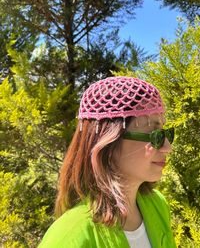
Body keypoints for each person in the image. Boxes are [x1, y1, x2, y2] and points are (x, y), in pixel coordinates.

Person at [38, 76, 177, 248]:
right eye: (155, 136)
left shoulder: (157, 205)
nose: (167, 147)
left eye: (166, 134)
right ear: (108, 143)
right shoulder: (69, 235)